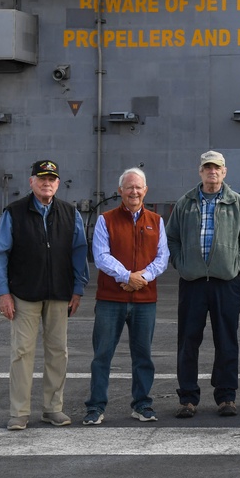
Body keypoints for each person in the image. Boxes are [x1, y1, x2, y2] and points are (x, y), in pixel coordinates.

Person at [0, 160, 89, 431]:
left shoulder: (70, 213)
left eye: (52, 179)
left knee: (58, 352)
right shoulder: (14, 212)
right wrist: (3, 293)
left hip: (60, 293)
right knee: (22, 353)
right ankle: (19, 412)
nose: (47, 183)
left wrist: (78, 288)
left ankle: (52, 409)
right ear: (31, 181)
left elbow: (79, 252)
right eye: (42, 178)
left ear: (58, 184)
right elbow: (1, 253)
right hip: (24, 293)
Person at [166, 150, 240, 418]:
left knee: (226, 340)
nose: (212, 172)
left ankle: (226, 397)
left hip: (225, 283)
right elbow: (171, 238)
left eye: (217, 168)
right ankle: (187, 398)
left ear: (224, 171)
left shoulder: (237, 203)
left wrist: (237, 264)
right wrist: (181, 263)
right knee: (188, 341)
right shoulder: (185, 203)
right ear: (200, 171)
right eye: (207, 168)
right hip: (193, 282)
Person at [83, 168, 169, 425]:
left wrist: (141, 278)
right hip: (111, 300)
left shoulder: (157, 220)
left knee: (143, 356)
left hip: (145, 301)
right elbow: (101, 256)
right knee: (102, 356)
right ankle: (96, 407)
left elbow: (162, 257)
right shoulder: (104, 219)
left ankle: (142, 405)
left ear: (146, 190)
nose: (134, 191)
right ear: (120, 191)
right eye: (129, 187)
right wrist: (127, 276)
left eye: (138, 187)